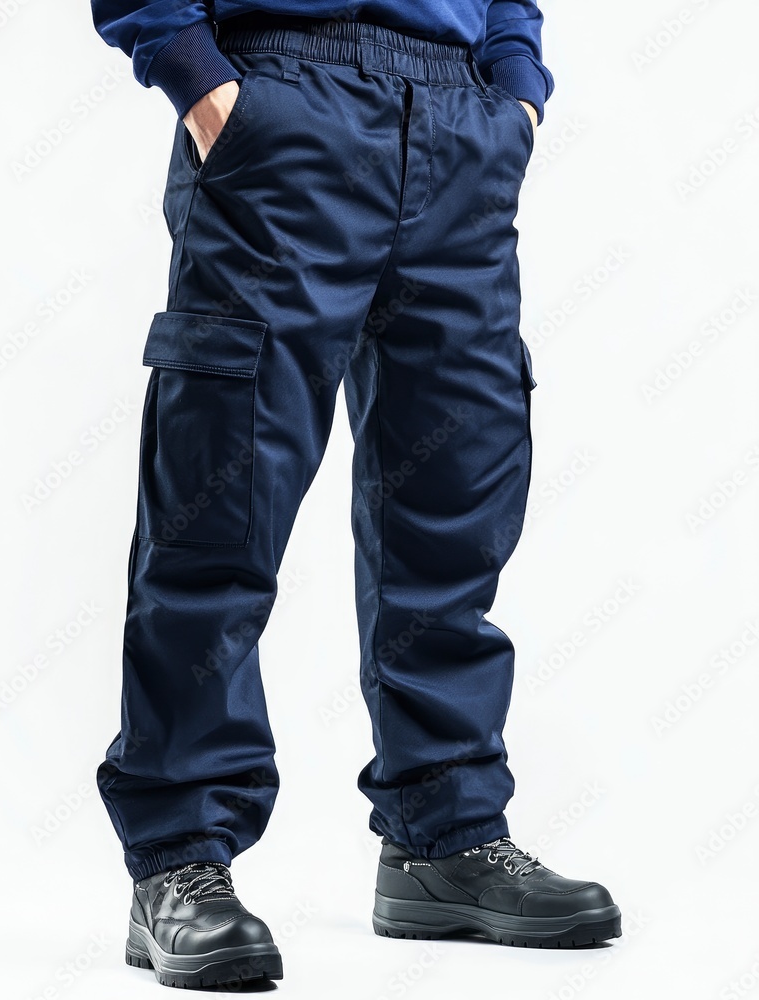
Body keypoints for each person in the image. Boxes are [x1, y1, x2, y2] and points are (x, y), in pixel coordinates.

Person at [89, 0, 621, 989]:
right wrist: (199, 78)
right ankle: (177, 857)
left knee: (457, 501)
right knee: (220, 508)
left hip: (462, 125)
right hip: (282, 103)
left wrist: (515, 89)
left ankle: (445, 835)